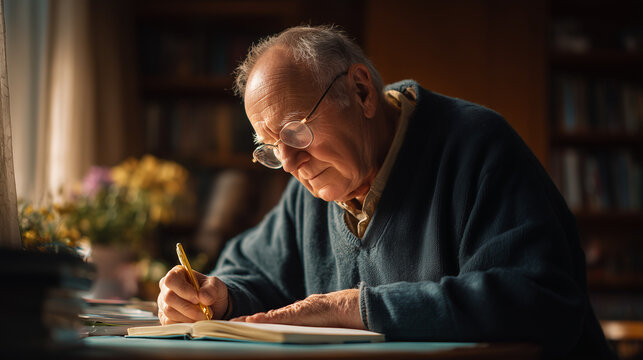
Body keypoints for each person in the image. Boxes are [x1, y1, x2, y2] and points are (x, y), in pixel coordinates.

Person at [157, 25, 615, 358]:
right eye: (272, 149)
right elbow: (254, 271)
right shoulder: (312, 184)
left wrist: (354, 308)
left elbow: (539, 300)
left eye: (296, 132)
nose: (291, 165)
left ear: (361, 92)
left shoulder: (476, 146)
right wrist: (219, 295)